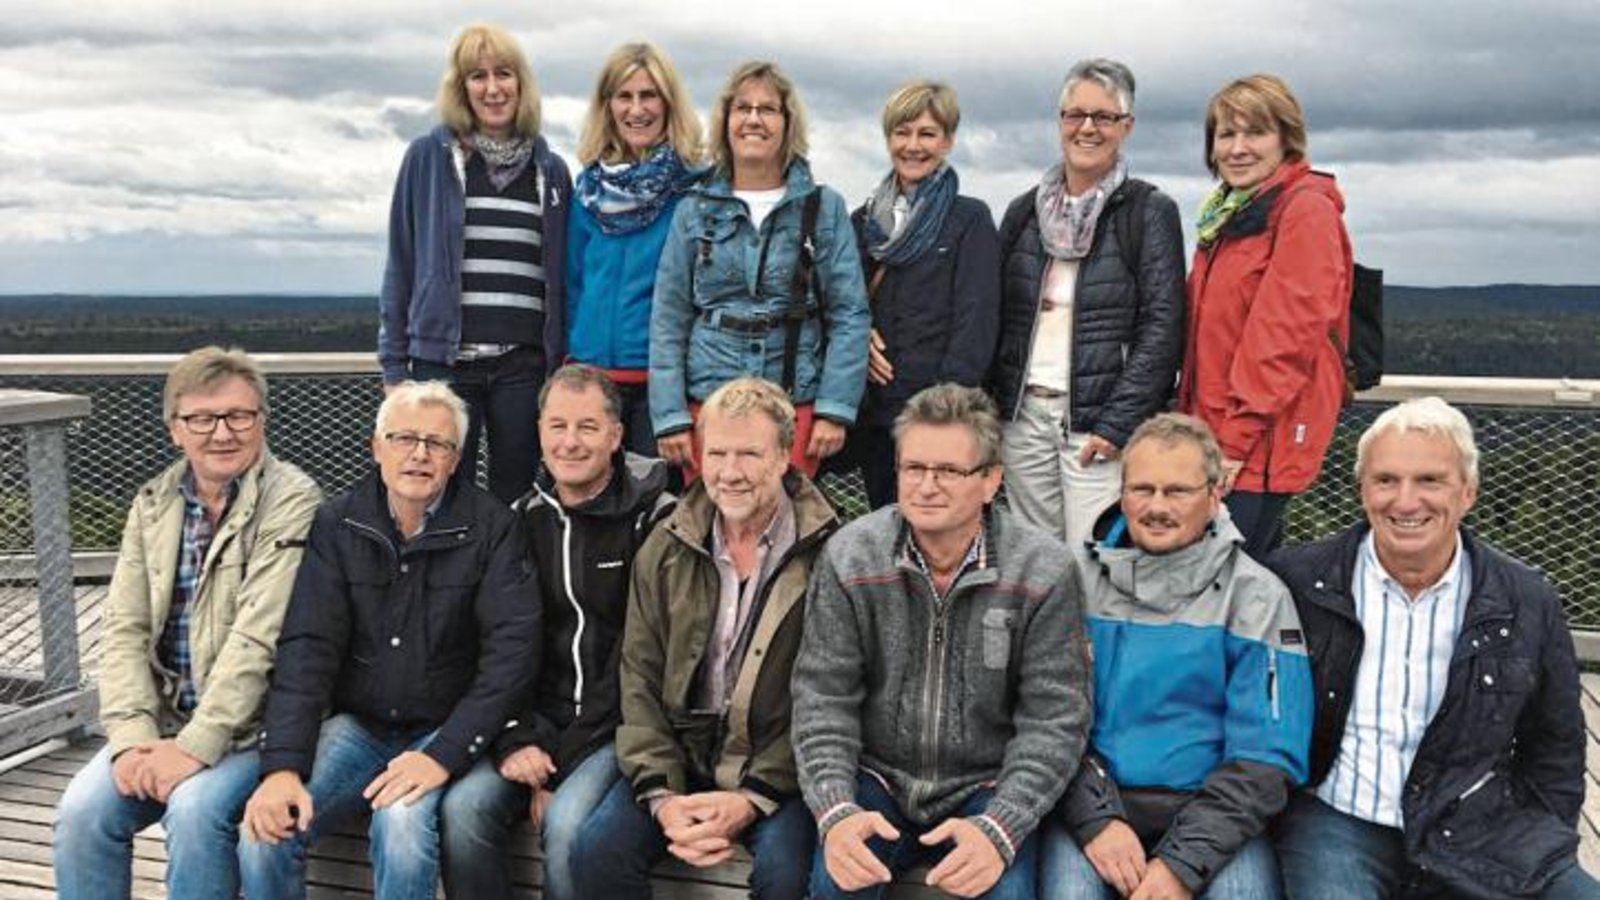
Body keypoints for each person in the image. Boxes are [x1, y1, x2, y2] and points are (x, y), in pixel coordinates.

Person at [1267, 397, 1600, 899]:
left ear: (1468, 492)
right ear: (1361, 491)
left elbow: (1555, 744)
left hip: (1480, 824)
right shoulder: (1298, 583)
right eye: (1386, 480)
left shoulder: (1524, 599)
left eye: (1429, 480)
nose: (1405, 501)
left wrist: (1542, 840)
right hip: (1339, 821)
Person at [238, 380, 539, 900]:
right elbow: (308, 647)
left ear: (456, 459)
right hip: (360, 726)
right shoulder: (339, 522)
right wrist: (283, 766)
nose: (419, 454)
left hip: (445, 726)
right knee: (264, 828)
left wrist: (443, 754)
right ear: (377, 448)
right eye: (403, 438)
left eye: (437, 444)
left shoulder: (493, 528)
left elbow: (511, 657)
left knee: (400, 825)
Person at [794, 383, 1090, 899]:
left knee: (1004, 892)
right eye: (914, 468)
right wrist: (836, 811)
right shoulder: (852, 556)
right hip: (877, 780)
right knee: (836, 884)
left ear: (991, 480)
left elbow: (1054, 720)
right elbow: (823, 698)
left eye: (949, 471)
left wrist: (1001, 827)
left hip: (988, 786)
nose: (926, 486)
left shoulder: (1044, 571)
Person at [52, 347, 321, 900]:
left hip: (253, 732)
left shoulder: (294, 500)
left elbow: (258, 638)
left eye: (239, 416)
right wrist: (130, 741)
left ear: (262, 421)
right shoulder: (153, 502)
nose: (221, 433)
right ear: (175, 429)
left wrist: (195, 747)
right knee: (82, 813)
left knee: (196, 812)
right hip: (166, 722)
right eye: (201, 418)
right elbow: (123, 629)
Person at [572, 377, 838, 900]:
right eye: (716, 452)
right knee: (596, 854)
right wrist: (664, 798)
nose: (730, 472)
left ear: (785, 455)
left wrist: (752, 799)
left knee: (785, 877)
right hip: (682, 757)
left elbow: (827, 701)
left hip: (776, 769)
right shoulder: (666, 544)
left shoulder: (829, 555)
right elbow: (639, 678)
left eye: (749, 454)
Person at [1041, 412, 1312, 900]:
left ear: (1214, 495)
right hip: (1095, 807)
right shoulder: (1071, 582)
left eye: (1177, 491)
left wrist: (1183, 862)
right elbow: (1042, 718)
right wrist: (1096, 820)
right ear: (1121, 492)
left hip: (1209, 812)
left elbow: (1267, 755)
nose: (1156, 506)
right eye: (1142, 489)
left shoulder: (1257, 597)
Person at [440, 364, 674, 900]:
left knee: (567, 826)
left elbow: (644, 659)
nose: (570, 442)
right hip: (535, 727)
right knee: (463, 810)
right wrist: (515, 736)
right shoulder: (518, 522)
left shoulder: (655, 521)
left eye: (588, 427)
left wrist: (559, 769)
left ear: (616, 436)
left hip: (617, 730)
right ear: (539, 431)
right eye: (557, 426)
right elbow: (497, 647)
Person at [988, 58, 1186, 551]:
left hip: (1097, 424)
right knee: (1033, 550)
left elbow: (1163, 324)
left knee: (1091, 551)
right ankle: (1044, 632)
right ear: (1059, 122)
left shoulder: (1147, 211)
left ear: (1127, 127)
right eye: (1075, 115)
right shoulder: (1024, 211)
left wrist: (1119, 422)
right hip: (1024, 415)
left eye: (1103, 117)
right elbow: (996, 312)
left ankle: (1089, 633)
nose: (1087, 128)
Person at [379, 23, 572, 503]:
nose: (492, 88)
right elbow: (401, 262)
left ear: (521, 83)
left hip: (523, 367)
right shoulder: (428, 158)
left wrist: (559, 362)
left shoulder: (551, 171)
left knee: (520, 495)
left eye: (503, 74)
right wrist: (393, 367)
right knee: (439, 493)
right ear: (461, 87)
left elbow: (563, 276)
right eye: (477, 76)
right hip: (442, 364)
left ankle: (507, 580)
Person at [649, 60, 870, 481]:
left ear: (788, 124)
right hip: (708, 401)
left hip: (794, 403)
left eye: (767, 109)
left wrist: (834, 409)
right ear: (725, 120)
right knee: (712, 531)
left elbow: (849, 314)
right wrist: (670, 414)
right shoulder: (692, 210)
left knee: (788, 531)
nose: (754, 119)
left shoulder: (824, 208)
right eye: (742, 108)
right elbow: (668, 317)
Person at [1177, 73, 1353, 557]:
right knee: (1237, 583)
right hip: (1215, 435)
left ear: (1286, 139)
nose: (1237, 148)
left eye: (1254, 133)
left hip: (1254, 446)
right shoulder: (1228, 216)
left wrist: (1233, 443)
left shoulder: (1303, 211)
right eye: (1225, 134)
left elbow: (1283, 339)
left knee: (1222, 583)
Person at [825, 81, 999, 509]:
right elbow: (838, 303)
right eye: (902, 133)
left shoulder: (969, 220)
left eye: (927, 134)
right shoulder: (862, 221)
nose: (913, 146)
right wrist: (859, 337)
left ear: (948, 141)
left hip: (935, 412)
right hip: (874, 415)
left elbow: (975, 323)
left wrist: (944, 413)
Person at [566, 42, 706, 456]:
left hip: (660, 390)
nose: (636, 109)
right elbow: (573, 284)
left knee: (655, 512)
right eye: (624, 97)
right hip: (590, 382)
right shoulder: (588, 190)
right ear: (607, 106)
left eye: (648, 96)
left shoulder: (693, 190)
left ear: (668, 103)